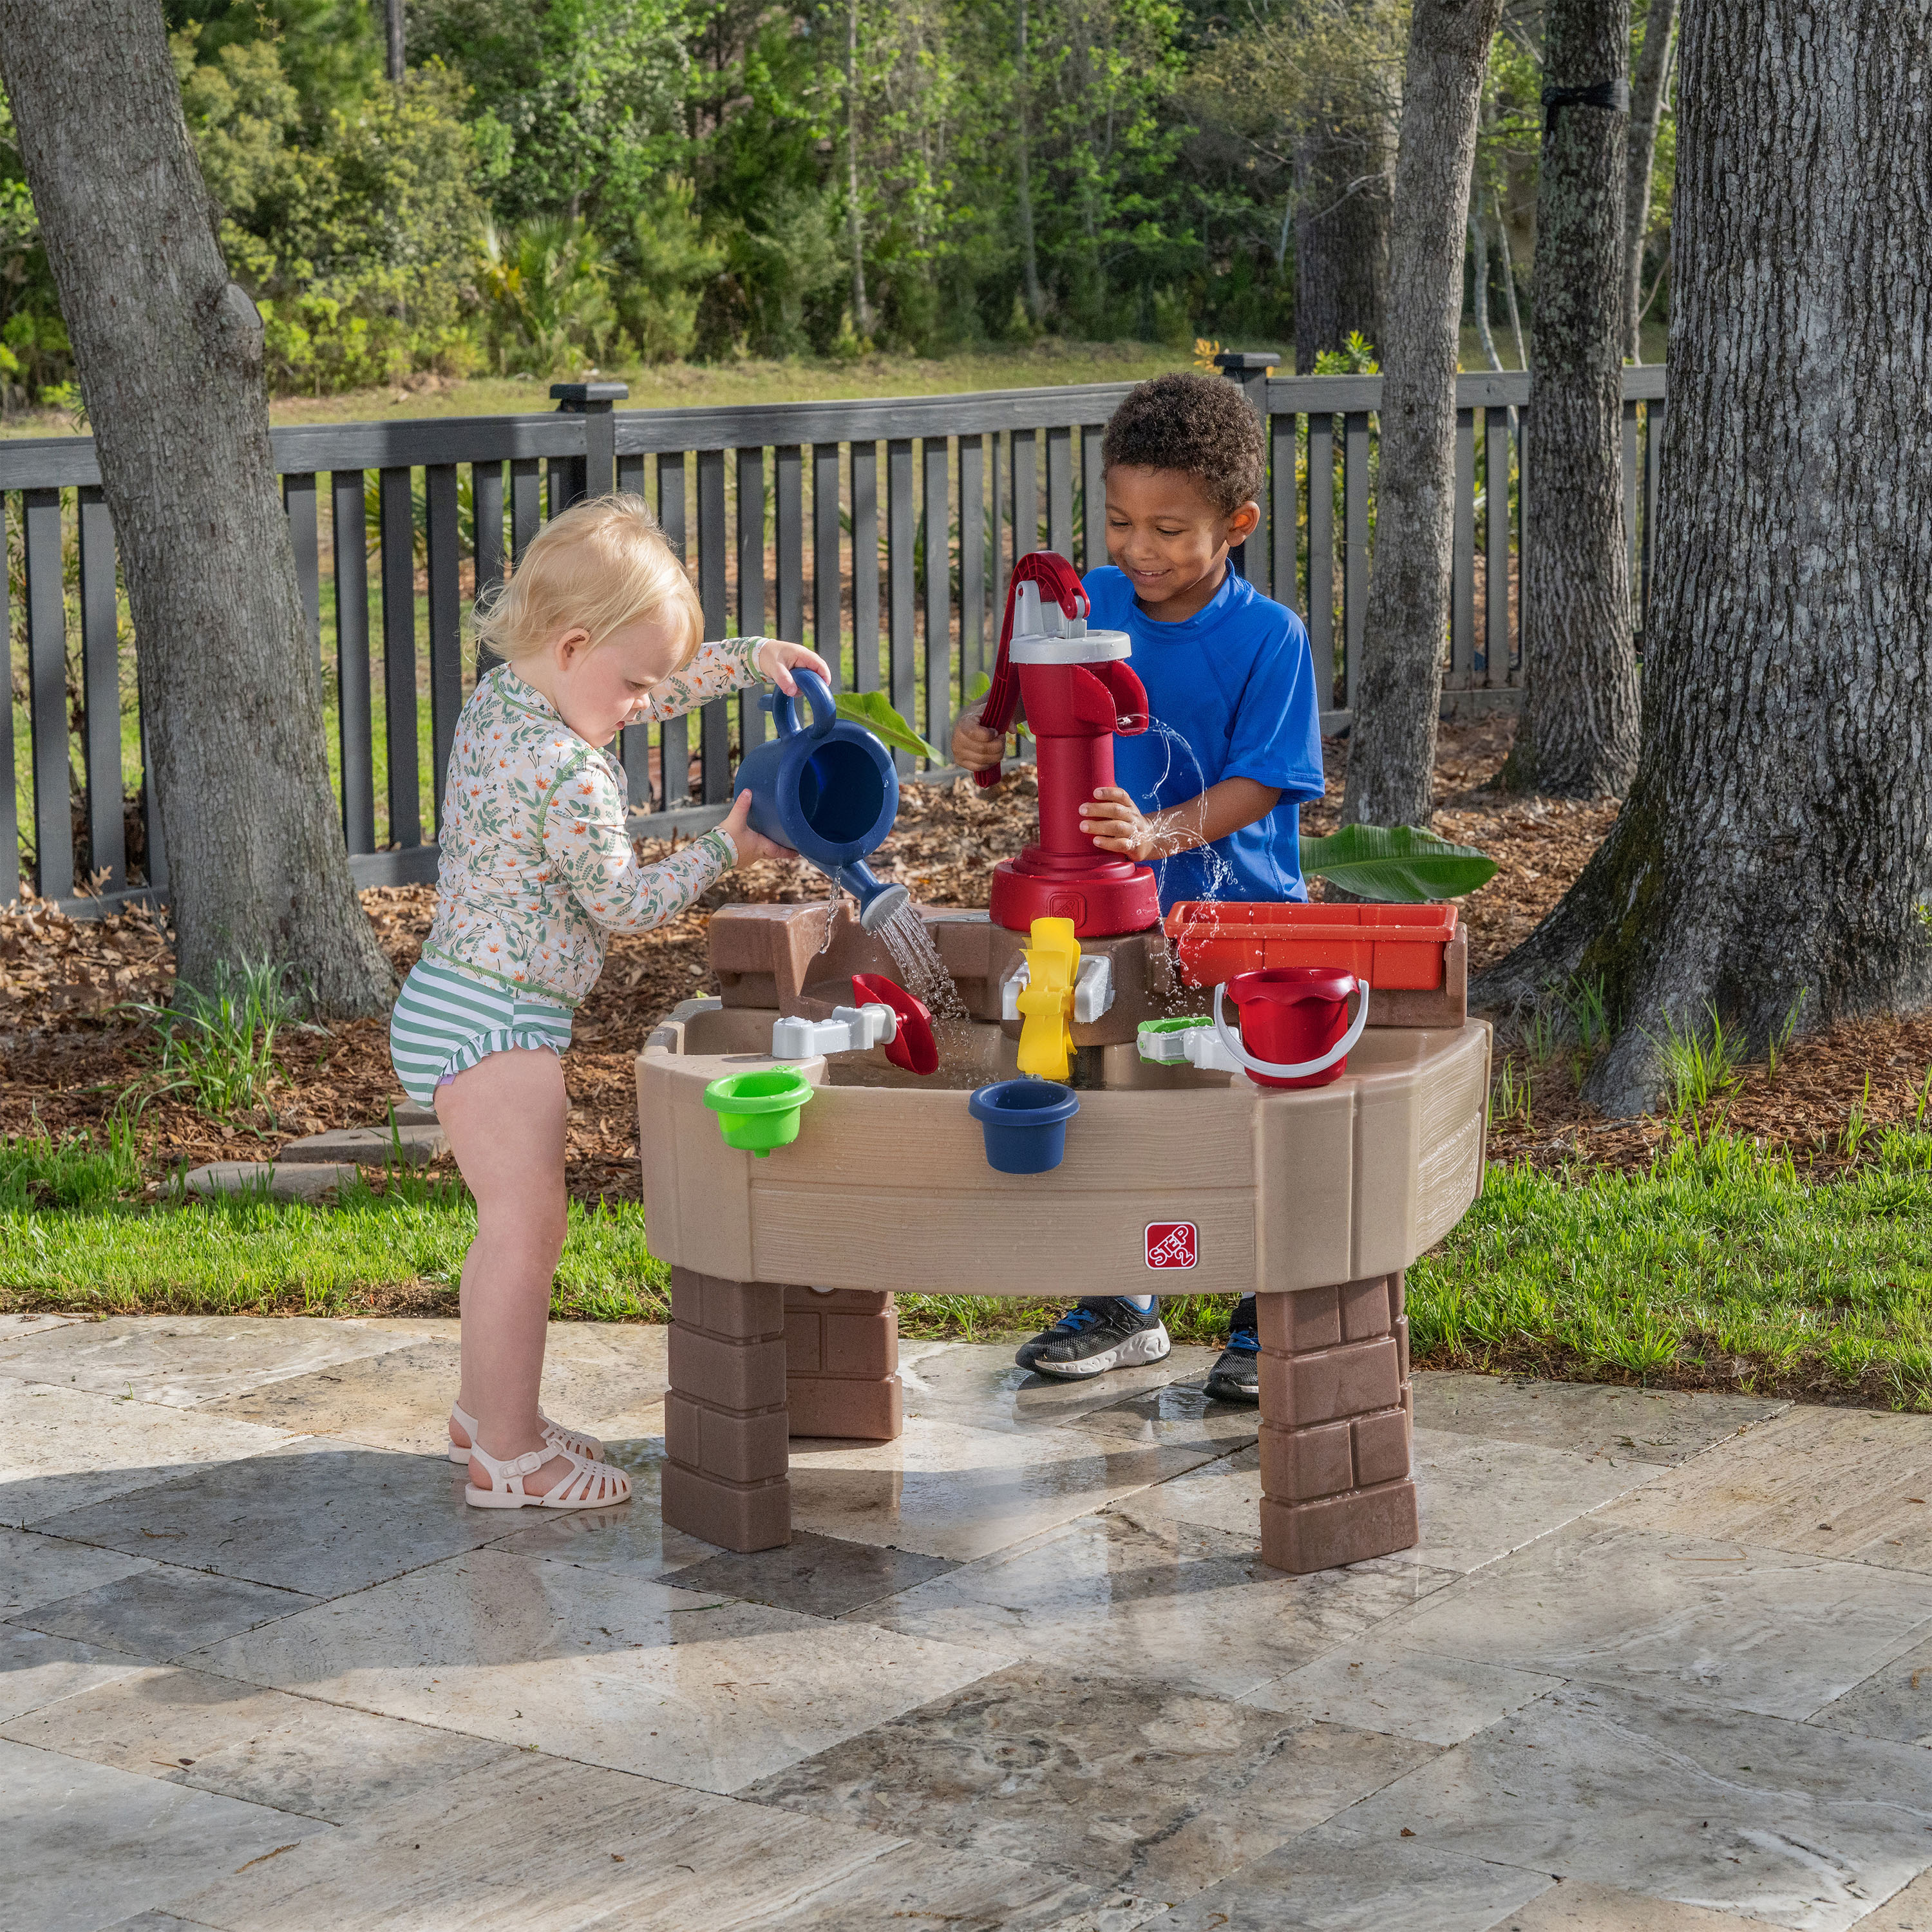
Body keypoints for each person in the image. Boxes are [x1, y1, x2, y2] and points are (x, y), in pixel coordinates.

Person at [390, 493, 822, 1510]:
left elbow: (651, 683)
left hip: (459, 998)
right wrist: (729, 848)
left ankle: (485, 1412)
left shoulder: (505, 697)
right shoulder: (571, 774)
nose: (642, 705)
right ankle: (508, 1455)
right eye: (633, 685)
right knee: (529, 1228)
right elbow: (622, 905)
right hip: (497, 1024)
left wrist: (745, 657)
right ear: (577, 645)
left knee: (512, 1226)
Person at [952, 372, 1324, 1403]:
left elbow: (1267, 779)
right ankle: (1123, 1301)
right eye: (1120, 520)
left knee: (1238, 1112)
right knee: (1113, 1101)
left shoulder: (1268, 637)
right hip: (1110, 926)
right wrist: (983, 732)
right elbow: (1020, 701)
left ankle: (1262, 1312)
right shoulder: (1089, 605)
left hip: (1238, 920)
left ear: (1236, 524)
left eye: (1170, 528)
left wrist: (1162, 832)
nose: (1137, 549)